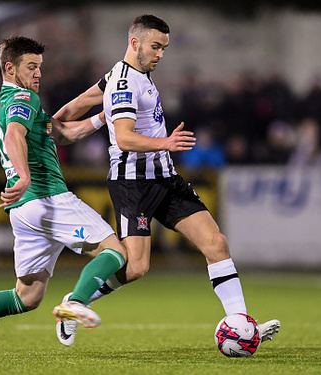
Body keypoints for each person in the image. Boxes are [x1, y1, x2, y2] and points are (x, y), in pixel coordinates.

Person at [54, 14, 280, 347]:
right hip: (134, 184)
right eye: (155, 46)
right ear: (135, 43)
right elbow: (126, 138)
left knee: (216, 244)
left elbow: (67, 113)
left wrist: (70, 120)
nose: (160, 54)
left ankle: (241, 325)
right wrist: (165, 143)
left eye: (164, 48)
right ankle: (77, 301)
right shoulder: (123, 83)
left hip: (166, 178)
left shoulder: (125, 76)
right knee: (136, 267)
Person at [0, 36, 128, 357]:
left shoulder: (5, 100)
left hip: (23, 211)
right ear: (10, 68)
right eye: (31, 67)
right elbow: (14, 134)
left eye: (40, 67)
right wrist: (23, 174)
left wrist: (105, 115)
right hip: (47, 198)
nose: (38, 74)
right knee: (115, 251)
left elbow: (63, 133)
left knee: (27, 296)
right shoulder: (23, 98)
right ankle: (74, 303)